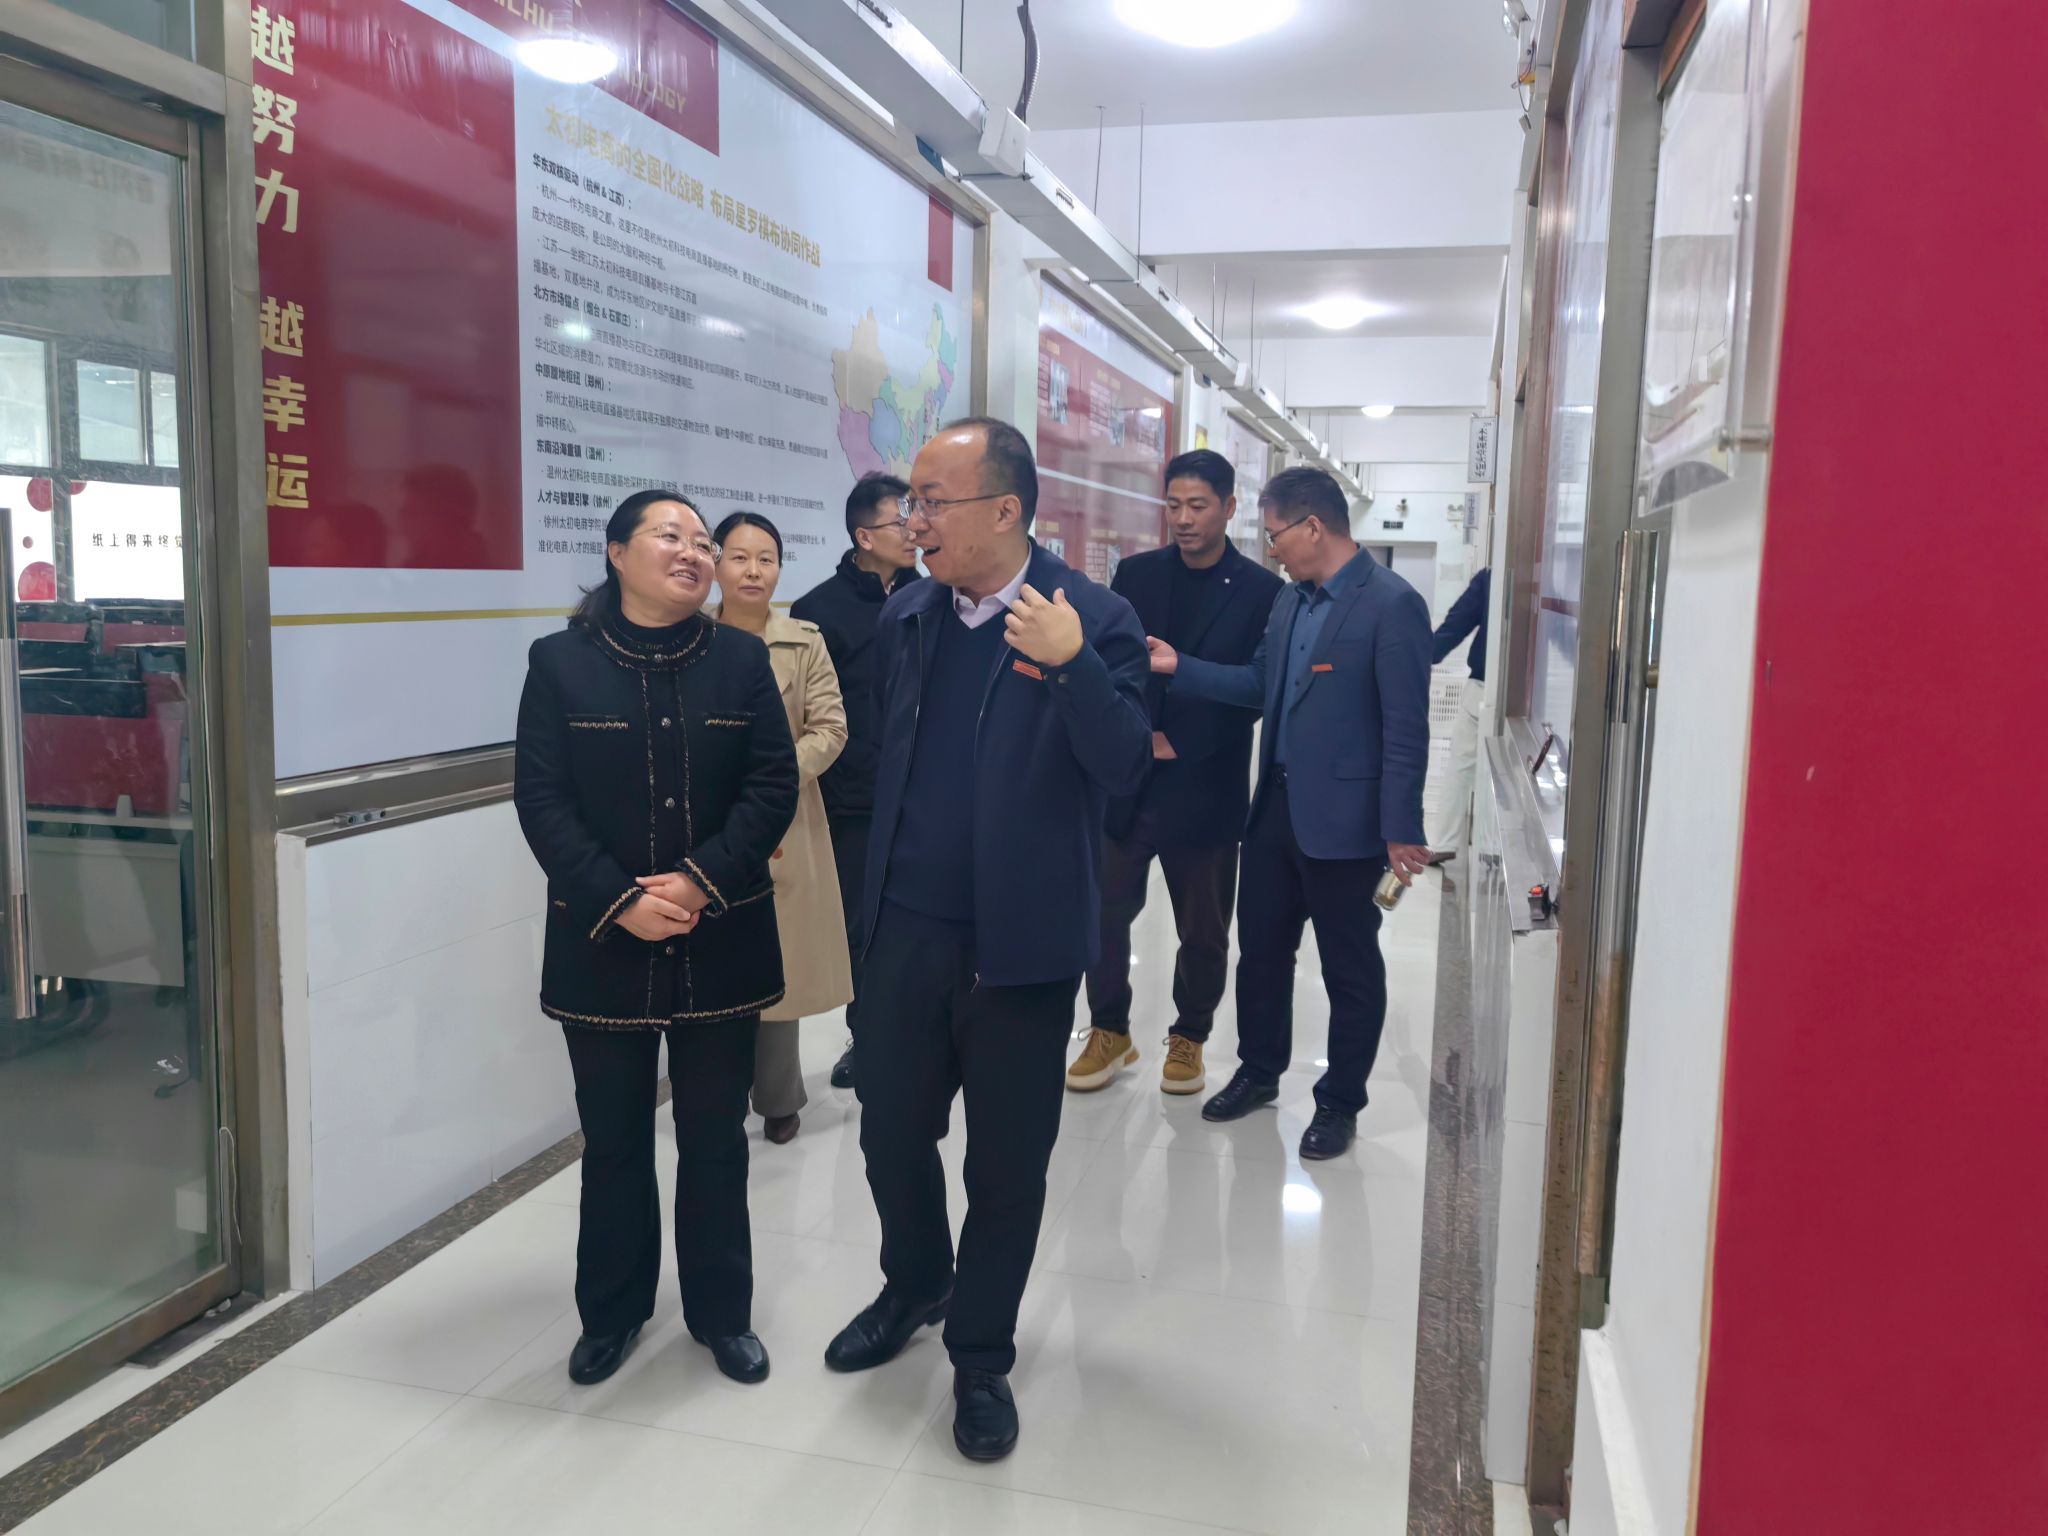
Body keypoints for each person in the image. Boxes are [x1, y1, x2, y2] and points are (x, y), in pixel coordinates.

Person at [827, 418, 1150, 1463]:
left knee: (1006, 1167)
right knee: (889, 1131)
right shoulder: (910, 613)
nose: (911, 520)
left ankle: (980, 1354)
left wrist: (1072, 666)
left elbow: (1123, 769)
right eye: (909, 502)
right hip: (904, 931)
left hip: (1021, 946)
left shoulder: (1091, 617)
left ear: (1004, 510)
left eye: (931, 501)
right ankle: (916, 1282)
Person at [513, 489, 798, 1389]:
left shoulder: (740, 659)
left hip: (720, 935)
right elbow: (541, 799)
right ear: (616, 553)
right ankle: (612, 1313)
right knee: (614, 1141)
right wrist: (617, 899)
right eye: (670, 536)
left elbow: (772, 785)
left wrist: (701, 880)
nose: (694, 553)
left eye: (703, 541)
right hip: (603, 942)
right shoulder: (560, 662)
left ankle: (721, 1314)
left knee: (716, 1138)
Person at [1148, 466, 1431, 1162]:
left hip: (1347, 824)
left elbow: (1406, 727)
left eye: (1275, 534)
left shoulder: (1391, 604)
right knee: (1262, 955)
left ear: (1313, 526)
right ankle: (1259, 1070)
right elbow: (1257, 684)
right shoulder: (1289, 603)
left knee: (1348, 969)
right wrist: (1179, 665)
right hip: (1274, 812)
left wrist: (1402, 828)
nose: (1271, 549)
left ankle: (1339, 1102)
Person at [1066, 449, 1282, 1098]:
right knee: (1102, 914)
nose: (1183, 519)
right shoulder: (1136, 574)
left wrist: (1178, 735)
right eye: (1174, 505)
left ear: (1229, 508)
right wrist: (1136, 733)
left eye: (1198, 506)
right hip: (1128, 781)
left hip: (1206, 784)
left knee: (1204, 929)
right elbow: (1115, 662)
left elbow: (1256, 691)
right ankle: (1110, 1030)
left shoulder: (1263, 592)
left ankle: (1190, 1035)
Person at [709, 510, 851, 1145]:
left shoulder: (803, 640)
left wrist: (769, 776)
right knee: (714, 958)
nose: (753, 570)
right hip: (705, 820)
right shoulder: (688, 636)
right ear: (716, 564)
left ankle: (778, 1097)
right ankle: (713, 1094)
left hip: (783, 822)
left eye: (765, 559)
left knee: (777, 960)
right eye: (739, 557)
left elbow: (831, 728)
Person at [788, 472, 921, 1091]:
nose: (914, 531)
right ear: (865, 536)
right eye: (901, 521)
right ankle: (866, 1038)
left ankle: (924, 1031)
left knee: (923, 920)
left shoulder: (936, 596)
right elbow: (814, 714)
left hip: (926, 791)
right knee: (862, 926)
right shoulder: (819, 611)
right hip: (856, 798)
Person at [1428, 566, 1491, 864]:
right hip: (1524, 692)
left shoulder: (1490, 578)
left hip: (1483, 684)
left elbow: (1456, 623)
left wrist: (1423, 655)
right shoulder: (1542, 577)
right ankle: (1492, 848)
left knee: (1461, 765)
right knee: (1503, 773)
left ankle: (1445, 842)